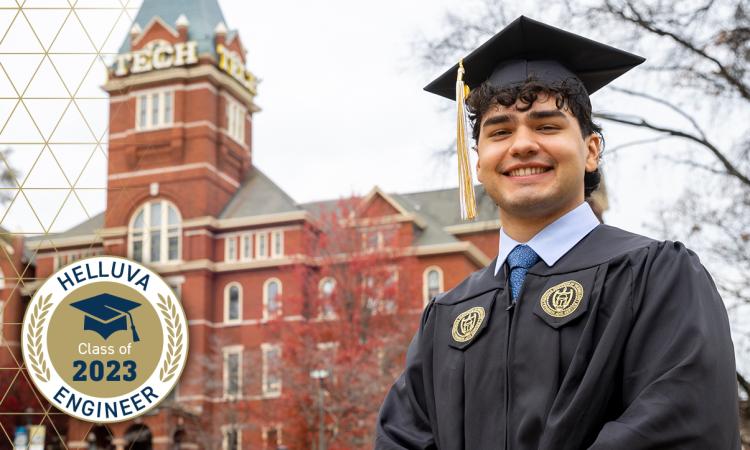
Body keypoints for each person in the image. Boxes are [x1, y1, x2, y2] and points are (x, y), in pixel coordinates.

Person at [375, 16, 741, 450]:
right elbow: (401, 438)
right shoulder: (448, 316)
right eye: (500, 131)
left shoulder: (656, 277)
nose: (522, 144)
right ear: (478, 161)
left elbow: (682, 427)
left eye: (547, 126)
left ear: (590, 151)